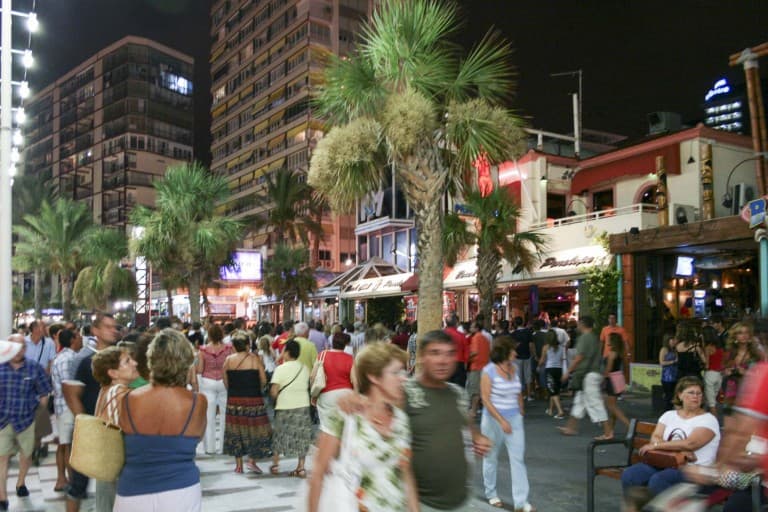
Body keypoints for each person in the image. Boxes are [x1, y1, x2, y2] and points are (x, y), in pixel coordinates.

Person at [308, 343, 418, 512]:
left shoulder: (401, 419)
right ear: (373, 376)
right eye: (396, 372)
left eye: (403, 372)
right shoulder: (346, 416)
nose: (403, 377)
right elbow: (318, 474)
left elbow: (406, 474)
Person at [113, 329, 207, 511]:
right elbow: (198, 437)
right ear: (186, 362)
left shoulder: (128, 400)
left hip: (133, 491)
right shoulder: (197, 402)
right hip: (181, 491)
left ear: (151, 361)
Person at [404, 330, 492, 511]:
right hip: (421, 504)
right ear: (421, 357)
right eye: (435, 353)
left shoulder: (457, 393)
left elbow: (465, 421)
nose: (443, 361)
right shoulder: (404, 393)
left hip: (463, 501)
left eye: (450, 354)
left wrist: (477, 436)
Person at [620, 376, 720, 496]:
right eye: (691, 393)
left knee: (660, 480)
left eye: (699, 393)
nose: (696, 396)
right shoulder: (669, 415)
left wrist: (657, 446)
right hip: (665, 462)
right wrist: (678, 451)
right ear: (679, 395)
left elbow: (691, 443)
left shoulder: (708, 419)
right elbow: (655, 437)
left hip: (693, 469)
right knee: (631, 475)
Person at [62, 312, 119, 512]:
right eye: (107, 326)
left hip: (113, 429)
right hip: (89, 430)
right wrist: (87, 424)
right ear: (95, 330)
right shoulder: (84, 357)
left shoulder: (118, 356)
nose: (113, 330)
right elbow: (70, 393)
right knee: (78, 484)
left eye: (114, 327)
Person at [480, 338, 535, 511]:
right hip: (492, 420)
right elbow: (486, 399)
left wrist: (521, 408)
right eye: (513, 350)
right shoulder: (489, 371)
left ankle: (521, 502)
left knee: (518, 459)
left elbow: (518, 390)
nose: (516, 353)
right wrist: (501, 420)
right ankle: (491, 493)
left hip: (514, 419)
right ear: (504, 351)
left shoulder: (515, 368)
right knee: (490, 457)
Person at [0, 334, 52, 511]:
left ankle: (20, 483)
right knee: (2, 457)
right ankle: (2, 496)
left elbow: (45, 392)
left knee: (26, 454)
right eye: (14, 346)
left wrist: (38, 414)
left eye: (22, 346)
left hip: (26, 420)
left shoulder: (34, 368)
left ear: (25, 348)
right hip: (2, 421)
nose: (19, 350)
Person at [222, 330, 271, 474]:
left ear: (234, 346)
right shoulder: (254, 359)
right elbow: (263, 379)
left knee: (236, 431)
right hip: (253, 399)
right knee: (254, 430)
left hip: (234, 400)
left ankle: (238, 466)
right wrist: (257, 388)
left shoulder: (228, 360)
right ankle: (251, 461)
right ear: (247, 345)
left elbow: (225, 381)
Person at [559, 316, 611, 438]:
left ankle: (608, 432)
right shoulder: (594, 337)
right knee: (579, 402)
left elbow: (579, 357)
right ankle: (570, 427)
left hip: (588, 374)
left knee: (595, 402)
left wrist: (568, 372)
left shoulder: (584, 338)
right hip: (592, 372)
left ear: (582, 324)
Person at [269, 339, 312, 477]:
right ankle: (301, 467)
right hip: (303, 405)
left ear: (287, 353)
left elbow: (274, 391)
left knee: (279, 436)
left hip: (284, 406)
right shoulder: (304, 368)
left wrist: (276, 400)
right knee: (302, 436)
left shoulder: (280, 369)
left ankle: (275, 465)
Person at [51, 329, 82, 493]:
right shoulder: (68, 359)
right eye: (78, 337)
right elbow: (68, 386)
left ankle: (62, 480)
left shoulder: (64, 357)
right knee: (68, 446)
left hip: (64, 407)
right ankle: (70, 481)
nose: (81, 339)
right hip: (68, 408)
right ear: (72, 340)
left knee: (64, 445)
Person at [196, 323, 233, 455]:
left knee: (209, 416)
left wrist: (199, 387)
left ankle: (210, 448)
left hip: (207, 382)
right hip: (224, 382)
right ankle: (224, 447)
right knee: (224, 416)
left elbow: (200, 369)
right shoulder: (229, 349)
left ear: (209, 335)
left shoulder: (203, 350)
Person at [314, 332, 355, 430]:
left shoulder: (322, 355)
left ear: (332, 342)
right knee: (345, 426)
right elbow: (355, 380)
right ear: (345, 345)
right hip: (346, 394)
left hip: (326, 394)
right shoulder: (350, 359)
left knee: (326, 426)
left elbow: (313, 376)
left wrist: (314, 394)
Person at [722, 322, 763, 407]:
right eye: (740, 333)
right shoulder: (729, 354)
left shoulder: (756, 354)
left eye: (746, 332)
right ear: (735, 337)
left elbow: (763, 375)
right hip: (731, 392)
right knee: (730, 417)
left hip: (750, 392)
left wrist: (746, 373)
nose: (744, 335)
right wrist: (726, 372)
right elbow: (722, 371)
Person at [601, 333, 630, 440]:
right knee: (612, 407)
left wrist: (602, 379)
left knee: (612, 407)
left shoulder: (612, 353)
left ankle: (629, 425)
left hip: (611, 380)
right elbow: (624, 367)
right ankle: (610, 431)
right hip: (618, 378)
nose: (607, 340)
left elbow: (608, 369)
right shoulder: (620, 352)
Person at [539, 327, 565, 419]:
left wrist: (539, 365)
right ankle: (550, 409)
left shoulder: (546, 347)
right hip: (559, 369)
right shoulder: (561, 347)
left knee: (552, 391)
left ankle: (560, 411)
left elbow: (542, 360)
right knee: (555, 389)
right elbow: (562, 359)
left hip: (549, 369)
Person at [467, 320, 491, 419]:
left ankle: (473, 411)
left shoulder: (476, 338)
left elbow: (475, 352)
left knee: (474, 390)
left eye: (472, 327)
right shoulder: (485, 338)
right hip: (484, 365)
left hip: (476, 366)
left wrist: (467, 359)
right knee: (482, 390)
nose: (470, 329)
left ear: (477, 328)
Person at [701, 325, 724, 414]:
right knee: (712, 400)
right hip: (719, 375)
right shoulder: (720, 347)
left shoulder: (708, 348)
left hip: (710, 374)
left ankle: (714, 422)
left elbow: (706, 365)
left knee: (711, 404)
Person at [511, 317, 535, 401]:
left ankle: (521, 395)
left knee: (519, 377)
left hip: (517, 358)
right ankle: (529, 395)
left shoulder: (513, 334)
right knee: (528, 376)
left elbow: (512, 346)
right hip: (527, 356)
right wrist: (533, 354)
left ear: (515, 324)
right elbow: (531, 345)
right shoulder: (528, 332)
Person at [444, 314, 469, 387]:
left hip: (445, 364)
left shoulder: (441, 334)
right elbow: (466, 353)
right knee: (459, 388)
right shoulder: (461, 336)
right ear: (456, 323)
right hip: (459, 364)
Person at [658, 333, 678, 410]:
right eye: (672, 339)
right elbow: (661, 362)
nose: (674, 341)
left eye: (674, 339)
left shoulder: (675, 349)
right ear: (668, 340)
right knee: (668, 396)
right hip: (667, 377)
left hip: (675, 375)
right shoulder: (664, 349)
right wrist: (673, 361)